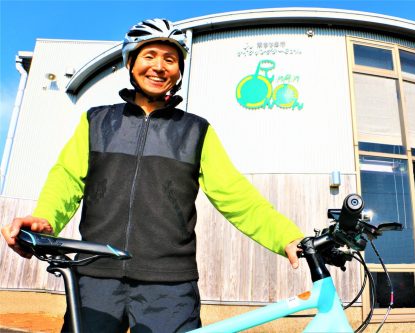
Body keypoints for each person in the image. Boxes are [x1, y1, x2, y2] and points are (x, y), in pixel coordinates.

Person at [1, 18, 304, 332]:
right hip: (96, 276)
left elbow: (236, 195)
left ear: (179, 72)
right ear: (131, 63)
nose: (159, 67)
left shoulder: (195, 131)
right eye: (149, 56)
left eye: (170, 60)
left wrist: (285, 236)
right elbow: (66, 178)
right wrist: (46, 218)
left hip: (170, 286)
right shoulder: (97, 121)